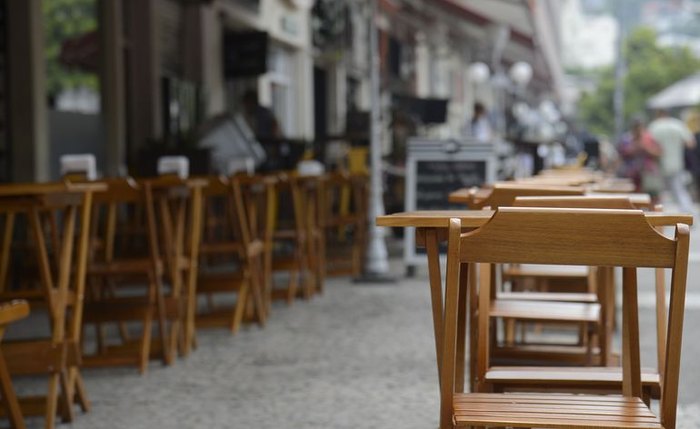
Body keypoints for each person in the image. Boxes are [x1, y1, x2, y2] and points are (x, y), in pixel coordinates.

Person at [648, 109, 697, 215]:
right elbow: (690, 143)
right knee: (679, 189)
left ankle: (660, 215)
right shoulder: (678, 124)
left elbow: (649, 145)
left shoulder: (654, 126)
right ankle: (687, 213)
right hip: (676, 163)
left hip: (660, 164)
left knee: (661, 192)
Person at [617, 118, 662, 201]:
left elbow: (659, 153)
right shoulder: (626, 139)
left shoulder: (649, 138)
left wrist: (646, 149)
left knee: (652, 198)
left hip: (648, 174)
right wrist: (633, 149)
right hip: (631, 175)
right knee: (633, 199)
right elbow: (621, 154)